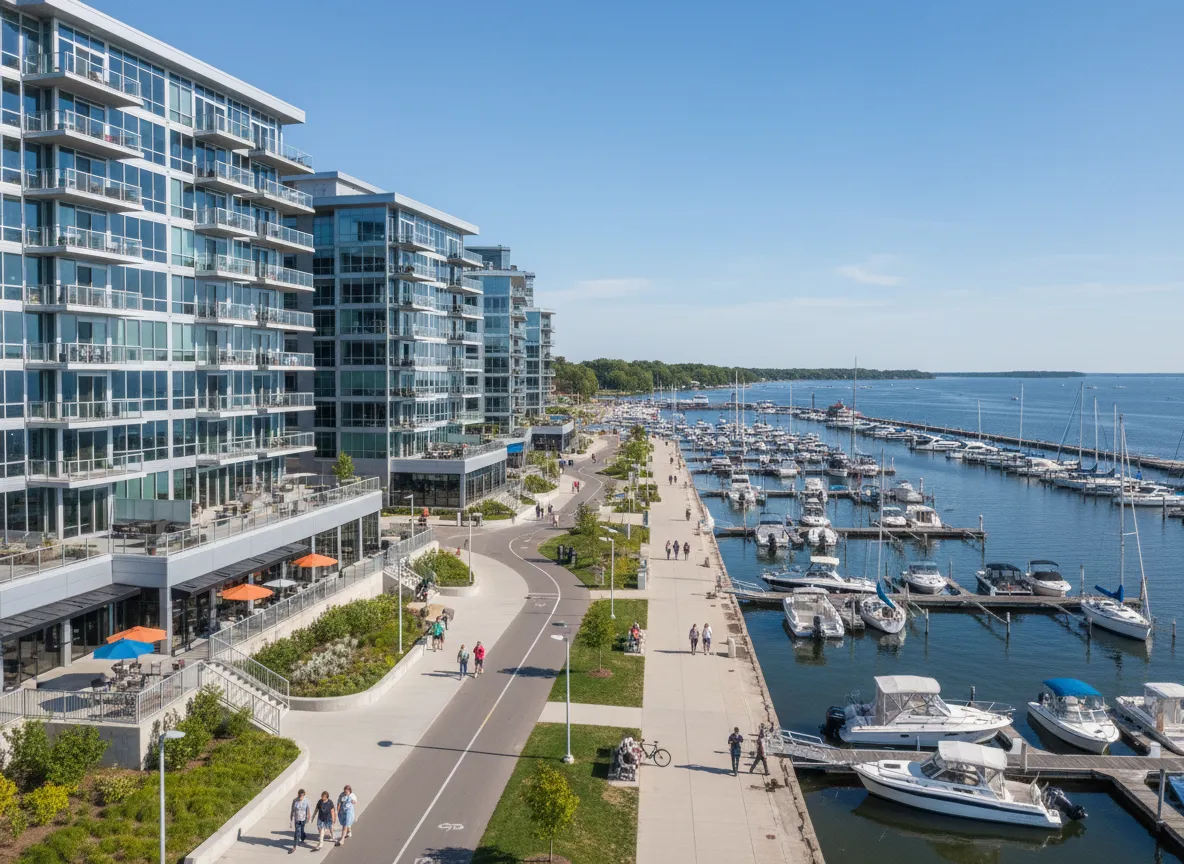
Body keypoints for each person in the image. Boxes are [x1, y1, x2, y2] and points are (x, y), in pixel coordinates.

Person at [290, 788, 311, 853]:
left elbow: (308, 809)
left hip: (303, 819)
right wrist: (291, 819)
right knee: (296, 832)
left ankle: (303, 837)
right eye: (299, 795)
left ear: (304, 795)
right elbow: (292, 810)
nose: (300, 797)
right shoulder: (295, 800)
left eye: (302, 796)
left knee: (302, 831)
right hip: (297, 819)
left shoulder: (306, 801)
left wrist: (308, 817)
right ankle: (294, 846)